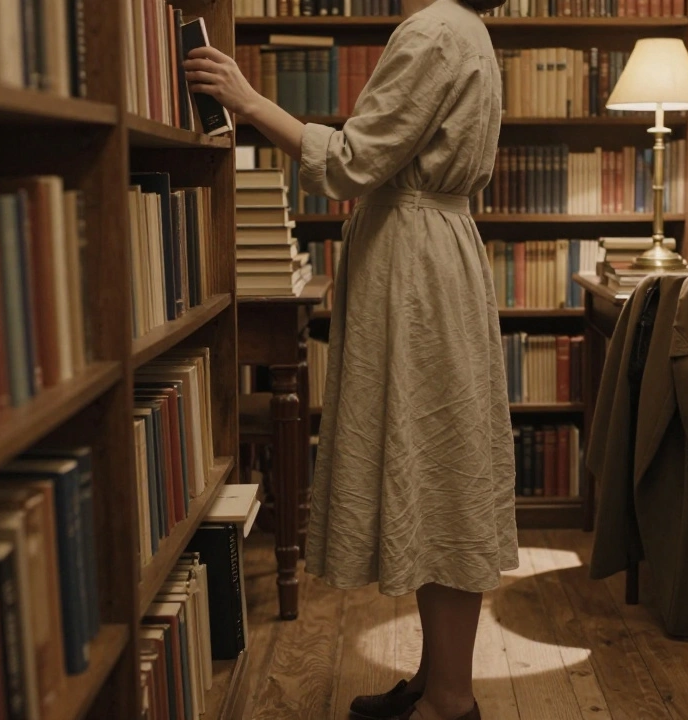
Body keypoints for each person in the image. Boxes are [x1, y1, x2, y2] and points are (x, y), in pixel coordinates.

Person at [185, 0, 513, 717]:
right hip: (439, 256)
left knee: (437, 477)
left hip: (419, 268)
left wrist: (248, 101)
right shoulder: (468, 32)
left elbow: (354, 161)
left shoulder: (431, 31)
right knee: (441, 471)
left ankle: (451, 701)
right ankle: (438, 680)